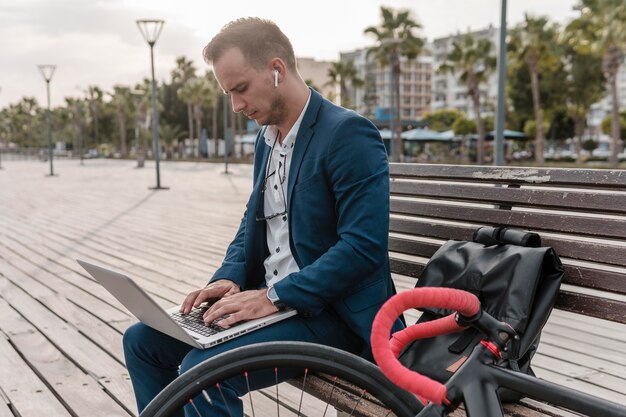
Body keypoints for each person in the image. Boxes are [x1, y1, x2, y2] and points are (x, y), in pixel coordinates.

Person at [123, 17, 402, 416]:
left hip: (331, 316)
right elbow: (254, 222)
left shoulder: (347, 135)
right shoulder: (267, 141)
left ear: (276, 70)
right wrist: (228, 278)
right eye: (228, 94)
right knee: (141, 341)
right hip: (275, 305)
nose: (236, 106)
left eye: (240, 89)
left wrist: (273, 297)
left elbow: (363, 249)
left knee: (203, 374)